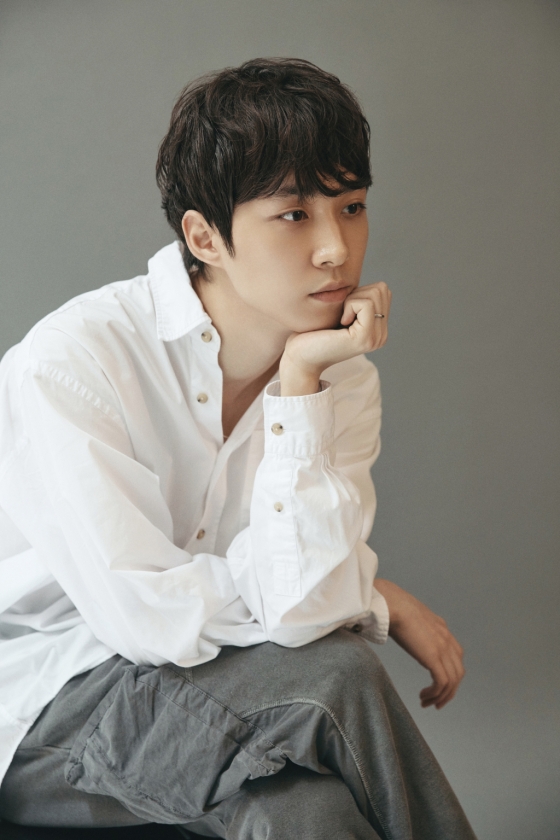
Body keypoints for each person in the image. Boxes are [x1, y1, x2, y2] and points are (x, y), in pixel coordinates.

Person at [0, 58, 476, 839]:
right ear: (203, 237)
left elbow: (305, 608)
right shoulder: (75, 362)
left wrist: (299, 387)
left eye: (352, 206)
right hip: (50, 707)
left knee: (304, 811)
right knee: (339, 673)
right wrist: (367, 595)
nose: (336, 248)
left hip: (219, 695)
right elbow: (148, 618)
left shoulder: (339, 379)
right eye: (294, 215)